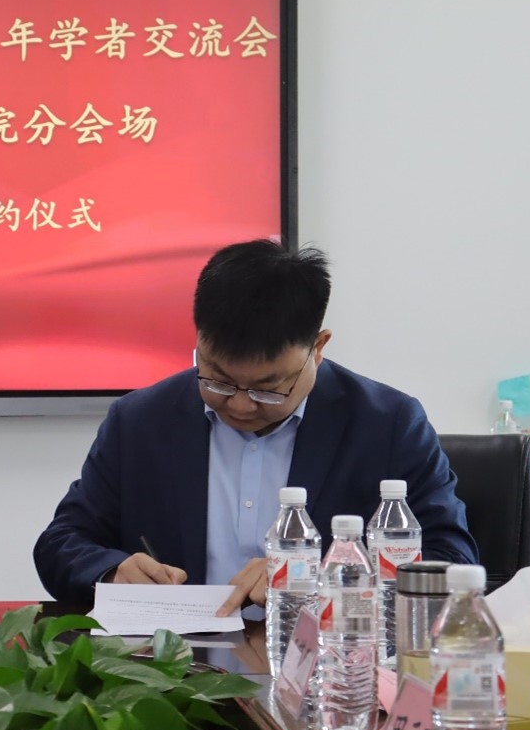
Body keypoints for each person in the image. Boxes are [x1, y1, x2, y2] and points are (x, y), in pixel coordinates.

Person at [33, 239, 477, 612]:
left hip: (329, 667)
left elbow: (451, 559)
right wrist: (111, 571)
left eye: (269, 388)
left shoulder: (388, 424)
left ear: (318, 348)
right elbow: (62, 542)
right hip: (176, 670)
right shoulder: (140, 421)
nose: (241, 405)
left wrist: (311, 578)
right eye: (218, 380)